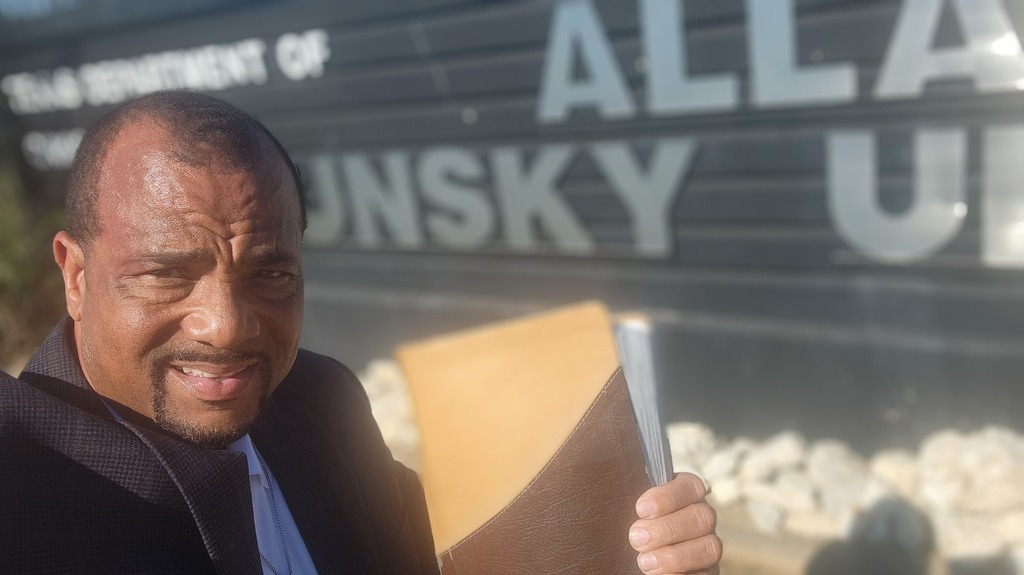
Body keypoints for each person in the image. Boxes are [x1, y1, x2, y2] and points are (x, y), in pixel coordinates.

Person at [0, 90, 722, 574]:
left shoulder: (321, 398)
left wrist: (630, 548)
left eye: (271, 273)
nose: (226, 325)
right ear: (75, 274)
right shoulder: (29, 490)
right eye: (165, 274)